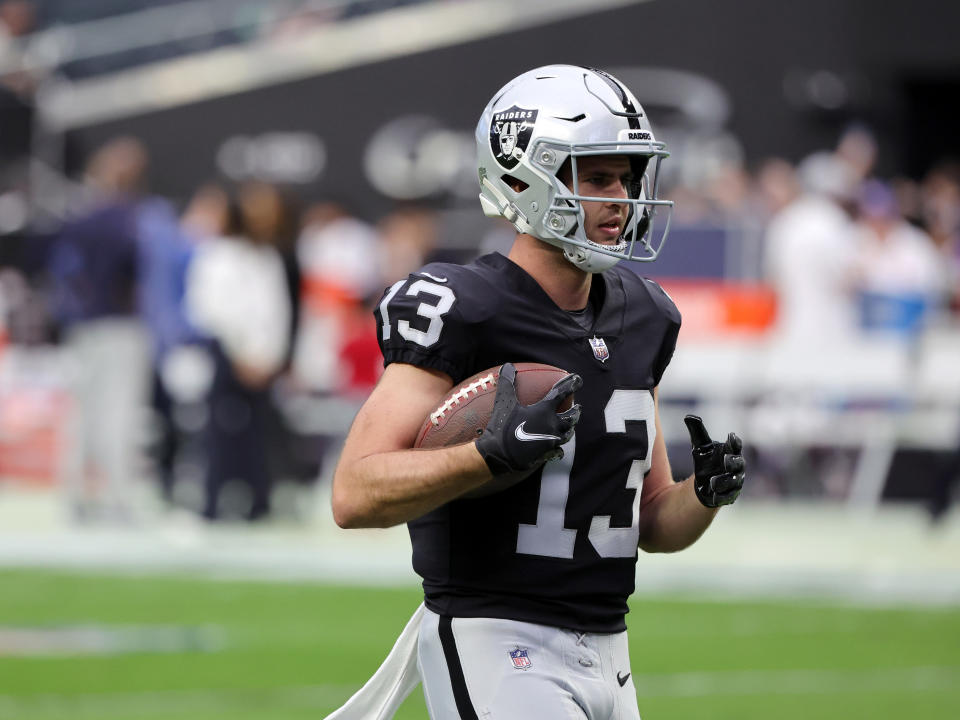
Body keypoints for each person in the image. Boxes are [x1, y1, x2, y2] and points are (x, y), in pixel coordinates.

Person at [330, 65, 746, 720]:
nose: (623, 198)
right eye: (598, 177)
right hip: (497, 638)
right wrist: (485, 455)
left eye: (629, 177)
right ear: (523, 177)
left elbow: (653, 523)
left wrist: (705, 493)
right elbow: (354, 494)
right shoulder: (464, 307)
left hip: (612, 650)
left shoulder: (645, 316)